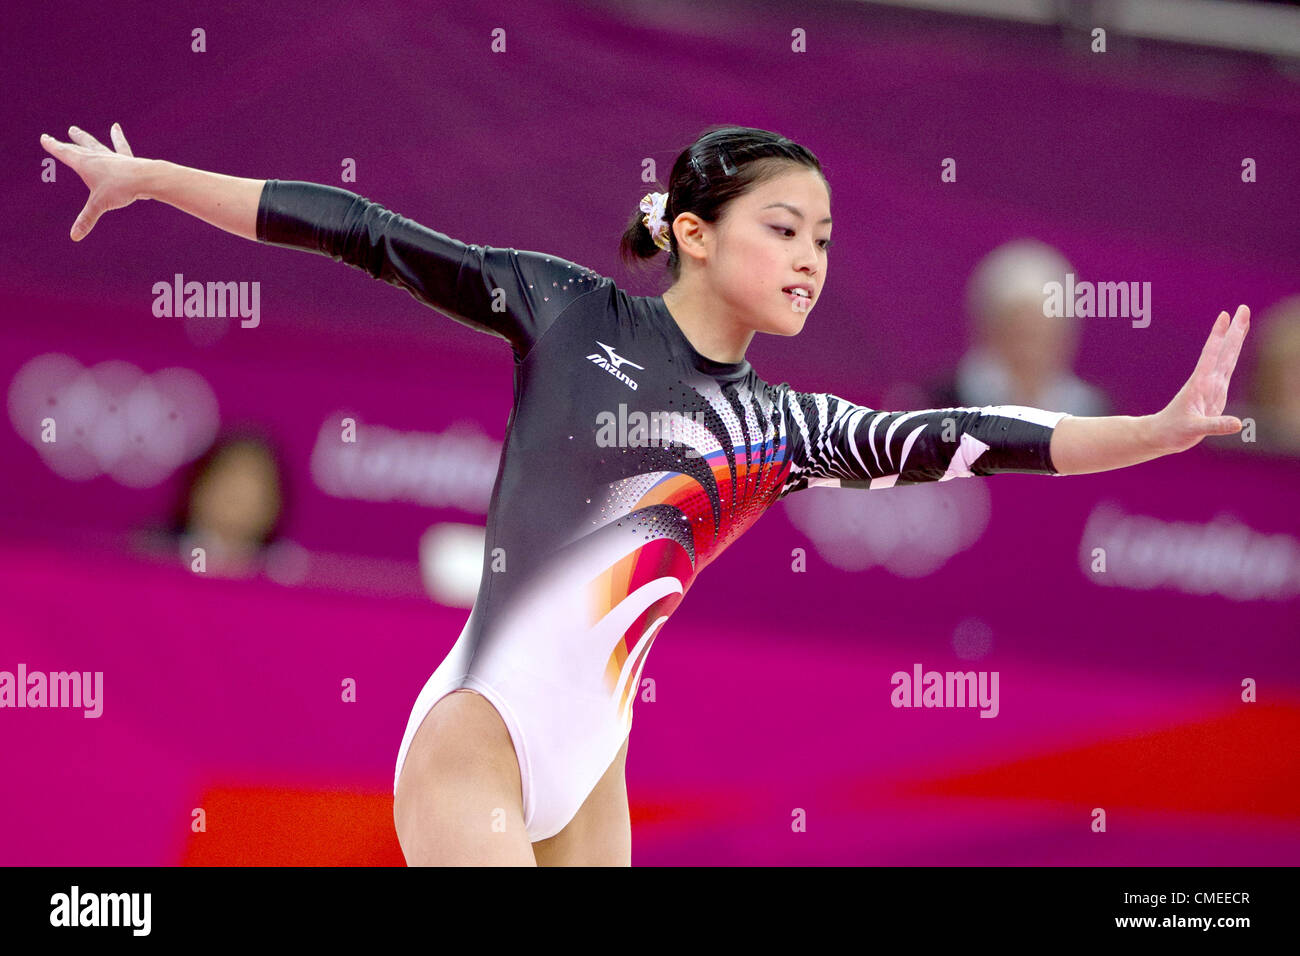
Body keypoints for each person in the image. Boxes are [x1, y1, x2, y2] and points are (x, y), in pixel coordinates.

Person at [40, 122, 1251, 867]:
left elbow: (974, 436)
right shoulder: (567, 310)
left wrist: (1150, 430)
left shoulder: (785, 427)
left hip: (595, 762)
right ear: (691, 232)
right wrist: (150, 177)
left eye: (825, 240)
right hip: (483, 742)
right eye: (784, 228)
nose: (811, 260)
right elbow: (360, 230)